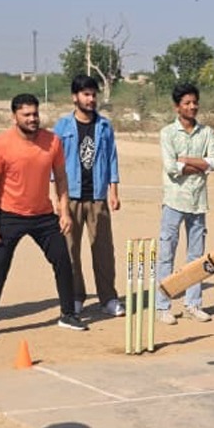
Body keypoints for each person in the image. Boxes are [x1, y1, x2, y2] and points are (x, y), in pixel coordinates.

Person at [0, 93, 84, 338]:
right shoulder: (2, 145)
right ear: (14, 116)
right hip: (9, 215)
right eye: (26, 115)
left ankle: (68, 314)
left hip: (44, 215)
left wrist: (63, 211)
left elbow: (61, 178)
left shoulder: (52, 141)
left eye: (35, 114)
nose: (33, 119)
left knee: (62, 260)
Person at [53, 75, 124, 318]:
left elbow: (112, 157)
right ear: (75, 97)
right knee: (70, 249)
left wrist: (113, 191)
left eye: (93, 94)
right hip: (70, 196)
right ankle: (75, 297)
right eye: (85, 94)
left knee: (103, 250)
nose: (90, 99)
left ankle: (108, 298)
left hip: (97, 196)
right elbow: (55, 162)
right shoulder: (62, 127)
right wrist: (56, 199)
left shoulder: (104, 126)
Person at [155, 84, 214, 325]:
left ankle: (194, 303)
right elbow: (172, 167)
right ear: (177, 107)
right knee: (167, 254)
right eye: (187, 103)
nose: (192, 107)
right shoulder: (167, 133)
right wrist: (199, 165)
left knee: (196, 257)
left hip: (198, 202)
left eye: (195, 102)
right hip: (174, 201)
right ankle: (163, 305)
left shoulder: (207, 133)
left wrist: (189, 161)